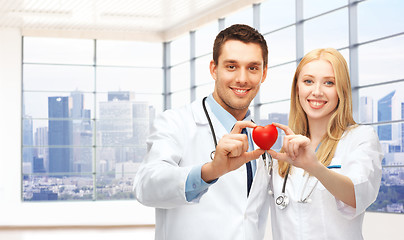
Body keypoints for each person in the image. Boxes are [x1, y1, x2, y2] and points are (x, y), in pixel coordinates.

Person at [134, 24, 272, 240]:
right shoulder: (175, 123)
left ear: (263, 73)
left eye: (253, 68)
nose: (242, 79)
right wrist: (209, 171)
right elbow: (146, 186)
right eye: (231, 66)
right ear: (214, 69)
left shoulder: (262, 140)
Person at [267, 48, 383, 240]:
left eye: (329, 83)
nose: (317, 91)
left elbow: (357, 195)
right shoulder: (284, 149)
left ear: (341, 90)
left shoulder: (361, 138)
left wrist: (315, 167)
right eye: (308, 81)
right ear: (297, 88)